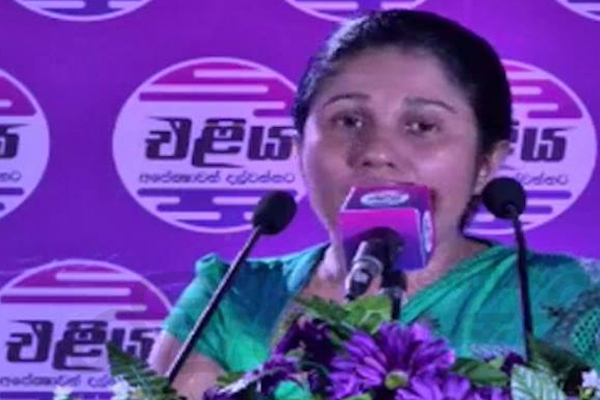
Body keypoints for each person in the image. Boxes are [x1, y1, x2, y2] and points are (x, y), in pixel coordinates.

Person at [148, 9, 599, 400]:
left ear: (485, 163)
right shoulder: (231, 298)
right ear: (298, 151)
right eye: (348, 120)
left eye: (422, 126)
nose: (377, 152)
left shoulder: (571, 297)